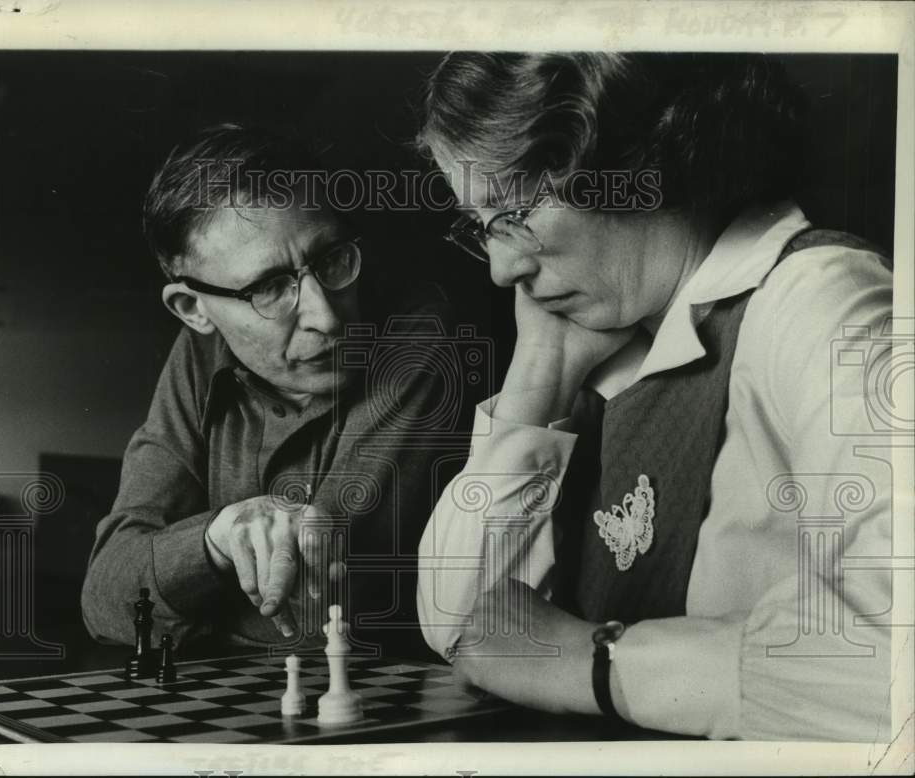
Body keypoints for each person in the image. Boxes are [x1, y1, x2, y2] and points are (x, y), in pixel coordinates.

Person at [415, 53, 894, 741]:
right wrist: (535, 378)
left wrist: (599, 664)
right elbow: (466, 625)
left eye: (514, 212)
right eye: (480, 225)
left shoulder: (822, 305)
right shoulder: (608, 336)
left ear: (638, 166)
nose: (501, 269)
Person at [81, 123, 461, 658]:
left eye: (331, 259)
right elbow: (104, 599)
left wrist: (181, 581)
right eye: (268, 288)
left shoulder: (415, 334)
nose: (326, 316)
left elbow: (313, 621)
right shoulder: (198, 353)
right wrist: (219, 536)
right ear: (194, 310)